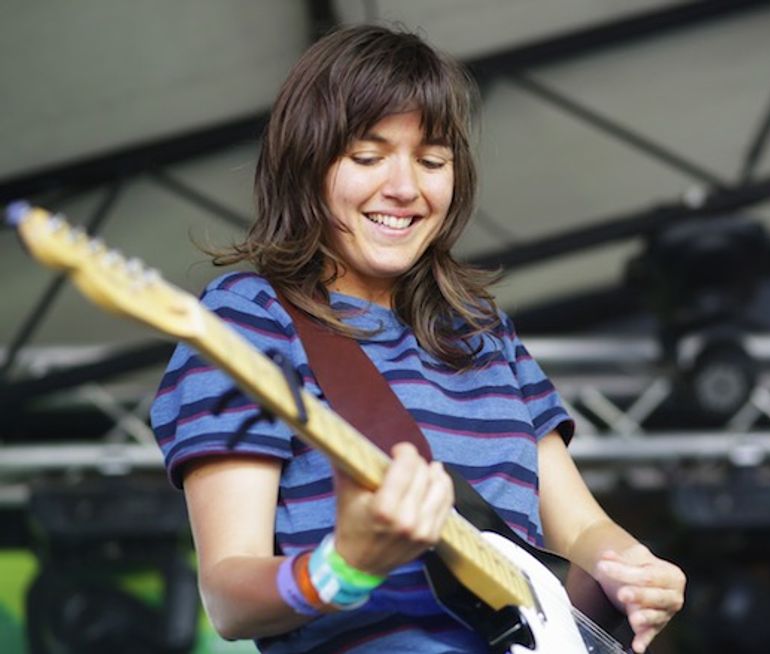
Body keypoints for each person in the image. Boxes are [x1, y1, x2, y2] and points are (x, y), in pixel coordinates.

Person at [150, 23, 685, 654]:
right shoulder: (250, 318)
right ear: (305, 162)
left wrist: (632, 571)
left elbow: (583, 528)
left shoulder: (484, 331)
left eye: (432, 161)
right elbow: (228, 598)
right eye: (367, 157)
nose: (405, 188)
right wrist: (342, 566)